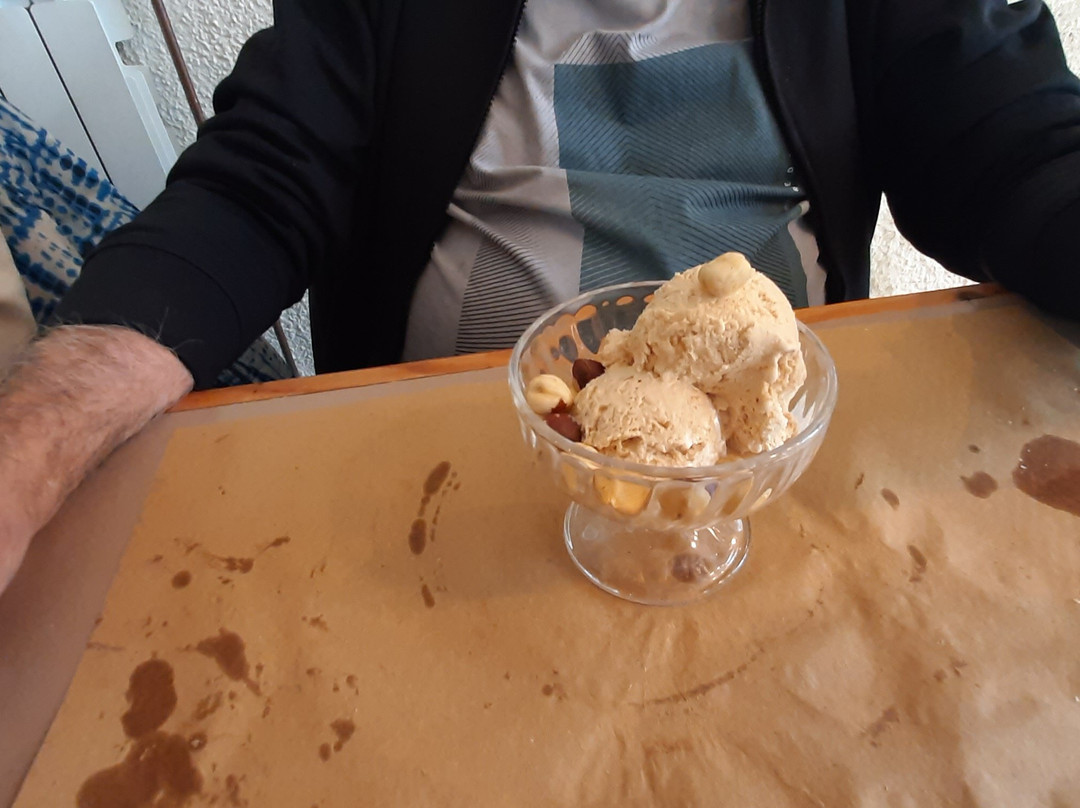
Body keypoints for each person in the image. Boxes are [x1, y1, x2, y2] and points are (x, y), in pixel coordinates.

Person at [0, 0, 1078, 594]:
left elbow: (1021, 144)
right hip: (424, 503)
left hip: (770, 504)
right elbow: (255, 190)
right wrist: (37, 438)